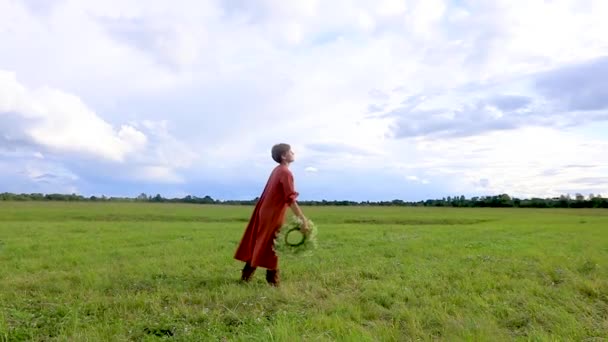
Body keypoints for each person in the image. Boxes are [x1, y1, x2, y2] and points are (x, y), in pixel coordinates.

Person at [234, 143, 309, 286]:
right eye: (290, 151)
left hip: (266, 211)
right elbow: (290, 199)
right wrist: (303, 219)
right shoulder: (285, 172)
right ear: (283, 156)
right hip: (272, 213)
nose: (293, 153)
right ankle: (272, 281)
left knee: (262, 242)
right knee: (272, 244)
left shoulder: (277, 170)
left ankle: (246, 276)